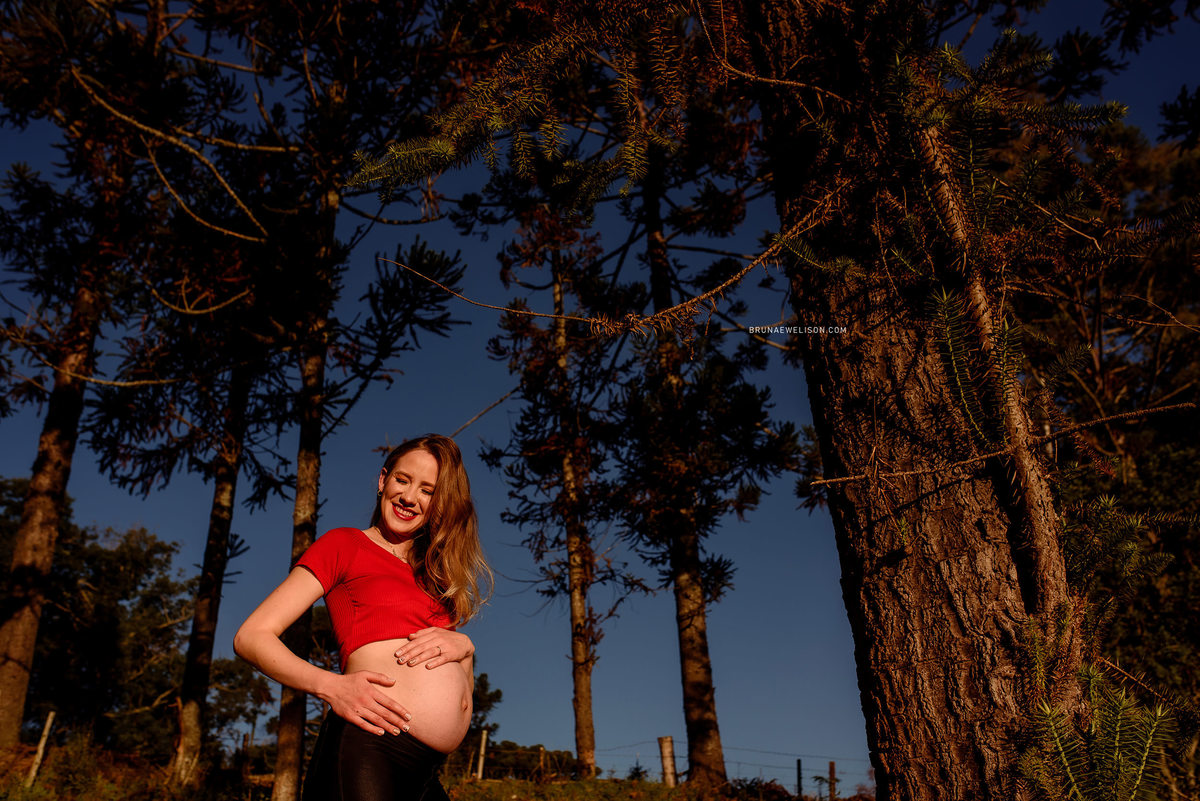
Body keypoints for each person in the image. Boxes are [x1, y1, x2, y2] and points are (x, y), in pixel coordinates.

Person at [235, 434, 492, 801]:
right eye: (402, 480)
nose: (409, 497)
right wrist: (331, 686)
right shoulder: (345, 545)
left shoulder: (436, 578)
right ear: (382, 480)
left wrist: (465, 648)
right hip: (370, 748)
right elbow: (251, 636)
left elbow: (462, 692)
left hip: (426, 770)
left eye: (427, 490)